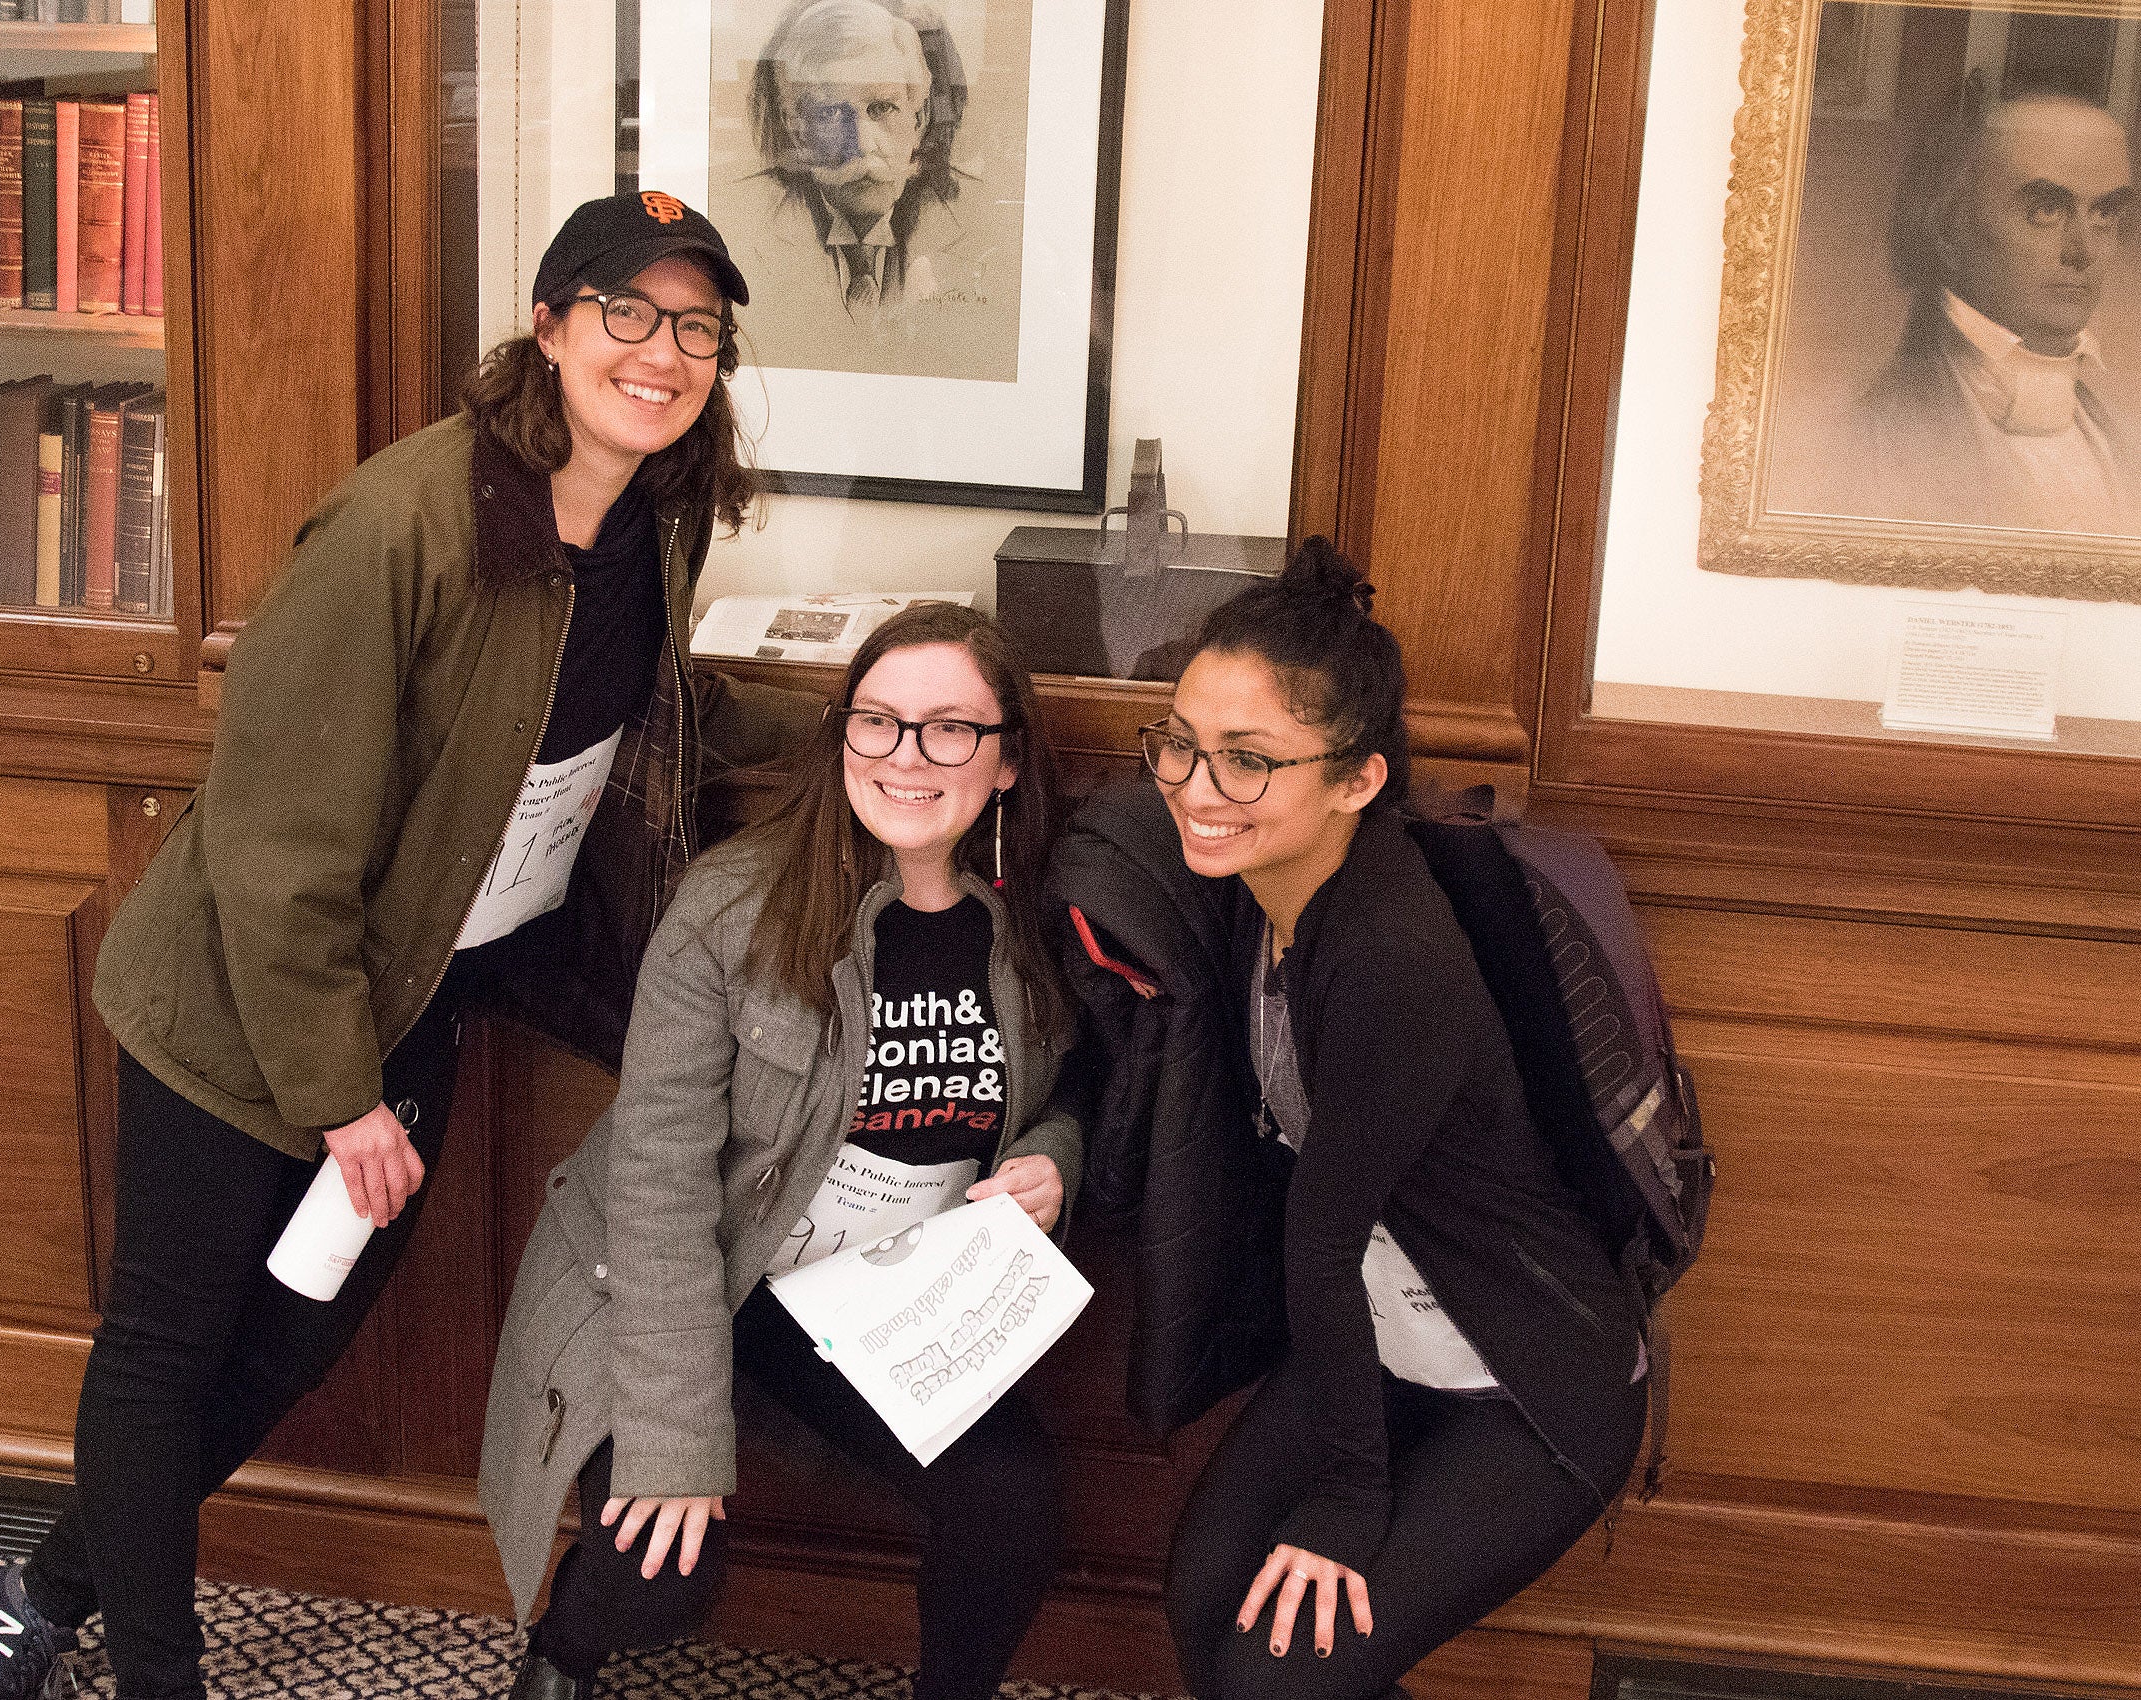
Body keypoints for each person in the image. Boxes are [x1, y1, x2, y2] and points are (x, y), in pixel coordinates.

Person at [0, 191, 814, 1700]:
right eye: (626, 313)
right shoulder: (400, 525)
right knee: (166, 1346)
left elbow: (634, 717)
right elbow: (272, 856)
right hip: (237, 1015)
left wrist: (873, 731)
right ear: (545, 331)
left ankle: (40, 1585)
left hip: (414, 1003)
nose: (661, 353)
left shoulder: (647, 521)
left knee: (286, 1351)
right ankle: (155, 1669)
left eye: (694, 328)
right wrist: (341, 1098)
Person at [1048, 540, 1647, 1700]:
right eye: (1180, 743)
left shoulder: (1386, 958)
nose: (1194, 788)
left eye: (1247, 761)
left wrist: (1345, 1503)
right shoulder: (1262, 883)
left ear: (1359, 780)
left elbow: (1320, 1240)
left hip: (1516, 1374)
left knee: (1280, 1673)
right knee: (1206, 1593)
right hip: (1377, 1333)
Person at [480, 603, 1081, 1700]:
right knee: (654, 1566)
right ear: (840, 735)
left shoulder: (1034, 924)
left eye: (950, 729)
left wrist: (1052, 1157)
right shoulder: (733, 905)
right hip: (700, 1269)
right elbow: (656, 1182)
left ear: (1004, 764)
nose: (906, 755)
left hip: (873, 1300)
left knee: (1012, 1495)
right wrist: (675, 1437)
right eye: (879, 722)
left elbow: (1066, 1095)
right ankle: (562, 1655)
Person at [1830, 81, 2140, 533]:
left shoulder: (2122, 438)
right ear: (1951, 221)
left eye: (2105, 214)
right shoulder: (1871, 444)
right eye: (2046, 210)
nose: (2083, 250)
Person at [712, 0, 1017, 380]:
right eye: (830, 113)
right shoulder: (733, 219)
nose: (861, 145)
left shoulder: (994, 223)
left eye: (882, 108)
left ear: (919, 121)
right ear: (797, 128)